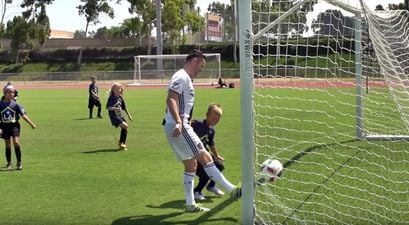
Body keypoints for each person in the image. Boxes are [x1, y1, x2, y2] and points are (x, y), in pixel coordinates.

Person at [163, 50, 241, 213]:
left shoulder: (186, 79)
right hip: (180, 125)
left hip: (178, 124)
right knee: (204, 156)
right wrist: (179, 122)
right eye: (201, 66)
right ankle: (232, 190)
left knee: (191, 164)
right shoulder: (181, 76)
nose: (201, 70)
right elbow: (171, 98)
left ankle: (190, 204)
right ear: (195, 61)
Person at [192, 104, 226, 201]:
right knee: (206, 173)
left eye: (217, 119)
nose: (215, 120)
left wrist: (216, 155)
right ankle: (197, 191)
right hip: (194, 155)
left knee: (219, 166)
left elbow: (211, 144)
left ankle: (211, 186)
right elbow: (187, 125)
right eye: (213, 117)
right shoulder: (198, 124)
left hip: (205, 154)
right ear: (207, 115)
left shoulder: (211, 130)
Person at [0, 85, 36, 170]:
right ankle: (9, 163)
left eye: (12, 93)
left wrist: (31, 124)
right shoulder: (0, 104)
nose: (11, 94)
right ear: (4, 93)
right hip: (4, 126)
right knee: (8, 145)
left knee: (16, 142)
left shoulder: (15, 104)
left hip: (14, 125)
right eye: (9, 92)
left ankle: (19, 163)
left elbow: (23, 116)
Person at [106, 83, 133, 151]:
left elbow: (125, 107)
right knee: (125, 126)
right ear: (113, 90)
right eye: (117, 89)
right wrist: (115, 108)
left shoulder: (120, 98)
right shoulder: (112, 98)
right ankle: (122, 143)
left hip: (120, 116)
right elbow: (108, 107)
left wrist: (129, 115)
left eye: (119, 89)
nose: (119, 90)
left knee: (125, 128)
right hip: (114, 116)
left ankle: (121, 144)